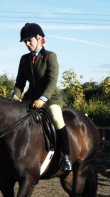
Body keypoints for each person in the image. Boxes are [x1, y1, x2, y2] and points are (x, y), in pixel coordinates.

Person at [12, 22, 72, 172]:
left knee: (57, 118)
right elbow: (20, 82)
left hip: (50, 98)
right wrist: (15, 96)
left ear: (39, 38)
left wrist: (43, 99)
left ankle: (65, 156)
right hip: (30, 98)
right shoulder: (24, 59)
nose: (27, 44)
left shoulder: (50, 56)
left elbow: (52, 81)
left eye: (29, 40)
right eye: (25, 41)